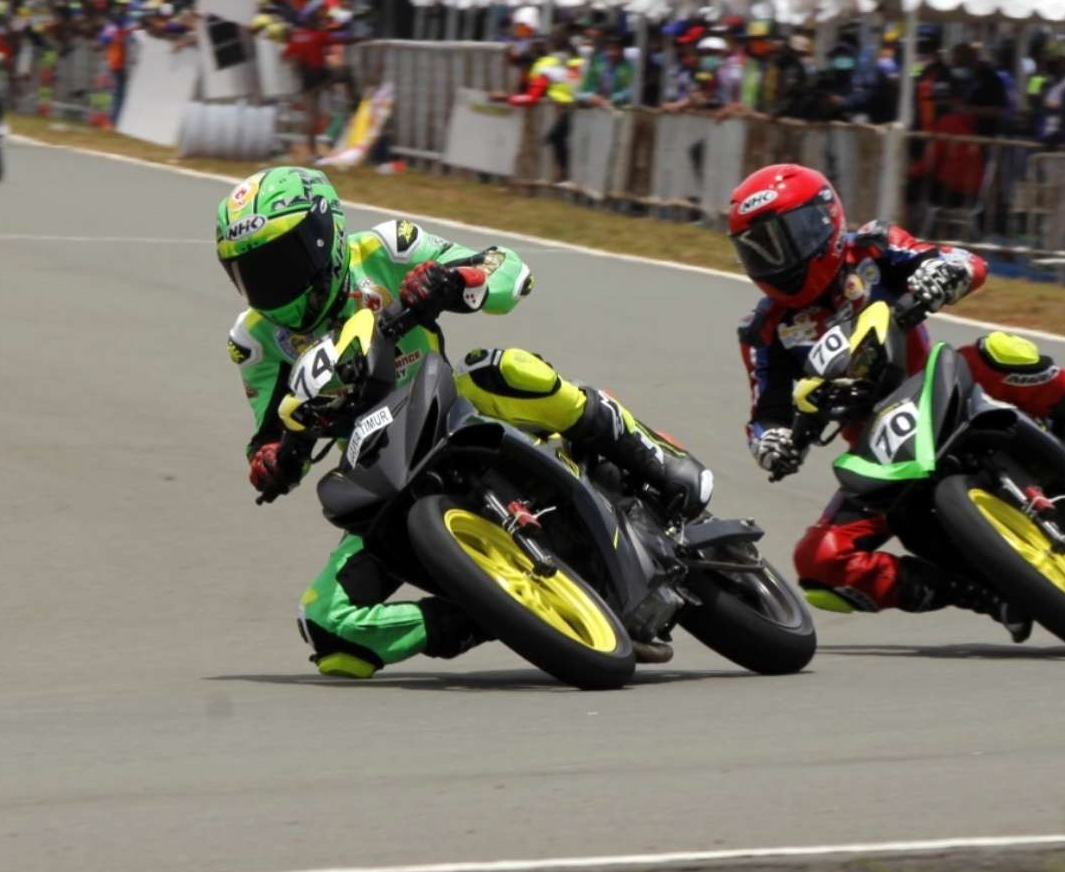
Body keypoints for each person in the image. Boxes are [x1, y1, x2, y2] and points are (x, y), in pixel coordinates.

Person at [218, 167, 711, 678]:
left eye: (282, 263)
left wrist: (452, 282)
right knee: (328, 625)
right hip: (383, 469)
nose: (271, 287)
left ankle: (645, 452)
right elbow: (269, 437)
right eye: (252, 274)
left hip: (448, 408)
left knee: (498, 368)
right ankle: (499, 609)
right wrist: (273, 462)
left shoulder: (386, 249)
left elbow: (510, 269)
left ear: (327, 237)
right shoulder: (254, 341)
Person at [730, 165, 1065, 636]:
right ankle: (979, 594)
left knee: (1000, 350)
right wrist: (774, 442)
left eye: (788, 237)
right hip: (882, 447)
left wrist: (941, 274)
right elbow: (765, 413)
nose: (778, 258)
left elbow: (961, 260)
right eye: (760, 249)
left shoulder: (871, 246)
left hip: (943, 385)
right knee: (820, 562)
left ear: (825, 221)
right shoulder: (762, 330)